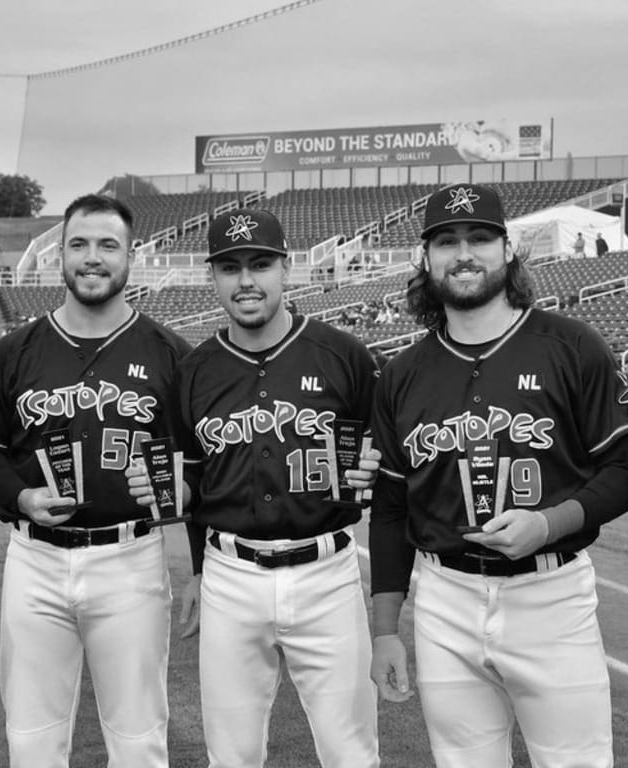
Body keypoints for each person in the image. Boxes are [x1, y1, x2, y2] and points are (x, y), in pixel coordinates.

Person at [368, 183, 628, 766]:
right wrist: (385, 628)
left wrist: (549, 524)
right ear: (426, 258)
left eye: (479, 238)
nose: (463, 253)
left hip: (551, 592)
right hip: (444, 595)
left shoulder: (570, 345)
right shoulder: (402, 373)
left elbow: (624, 469)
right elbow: (392, 505)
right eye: (447, 241)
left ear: (507, 250)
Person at [128, 208, 383, 767]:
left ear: (285, 268)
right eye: (230, 267)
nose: (246, 280)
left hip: (328, 575)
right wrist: (170, 494)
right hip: (231, 576)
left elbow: (385, 454)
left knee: (351, 752)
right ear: (212, 277)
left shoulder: (345, 356)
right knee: (233, 754)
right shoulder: (193, 371)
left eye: (260, 263)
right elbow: (192, 476)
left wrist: (373, 472)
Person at [0, 194, 190, 767]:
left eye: (107, 245)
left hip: (132, 558)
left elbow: (204, 463)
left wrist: (187, 513)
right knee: (32, 740)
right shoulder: (13, 353)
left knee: (140, 741)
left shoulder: (172, 356)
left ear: (131, 256)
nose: (92, 258)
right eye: (79, 244)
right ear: (60, 255)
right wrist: (19, 495)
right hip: (34, 561)